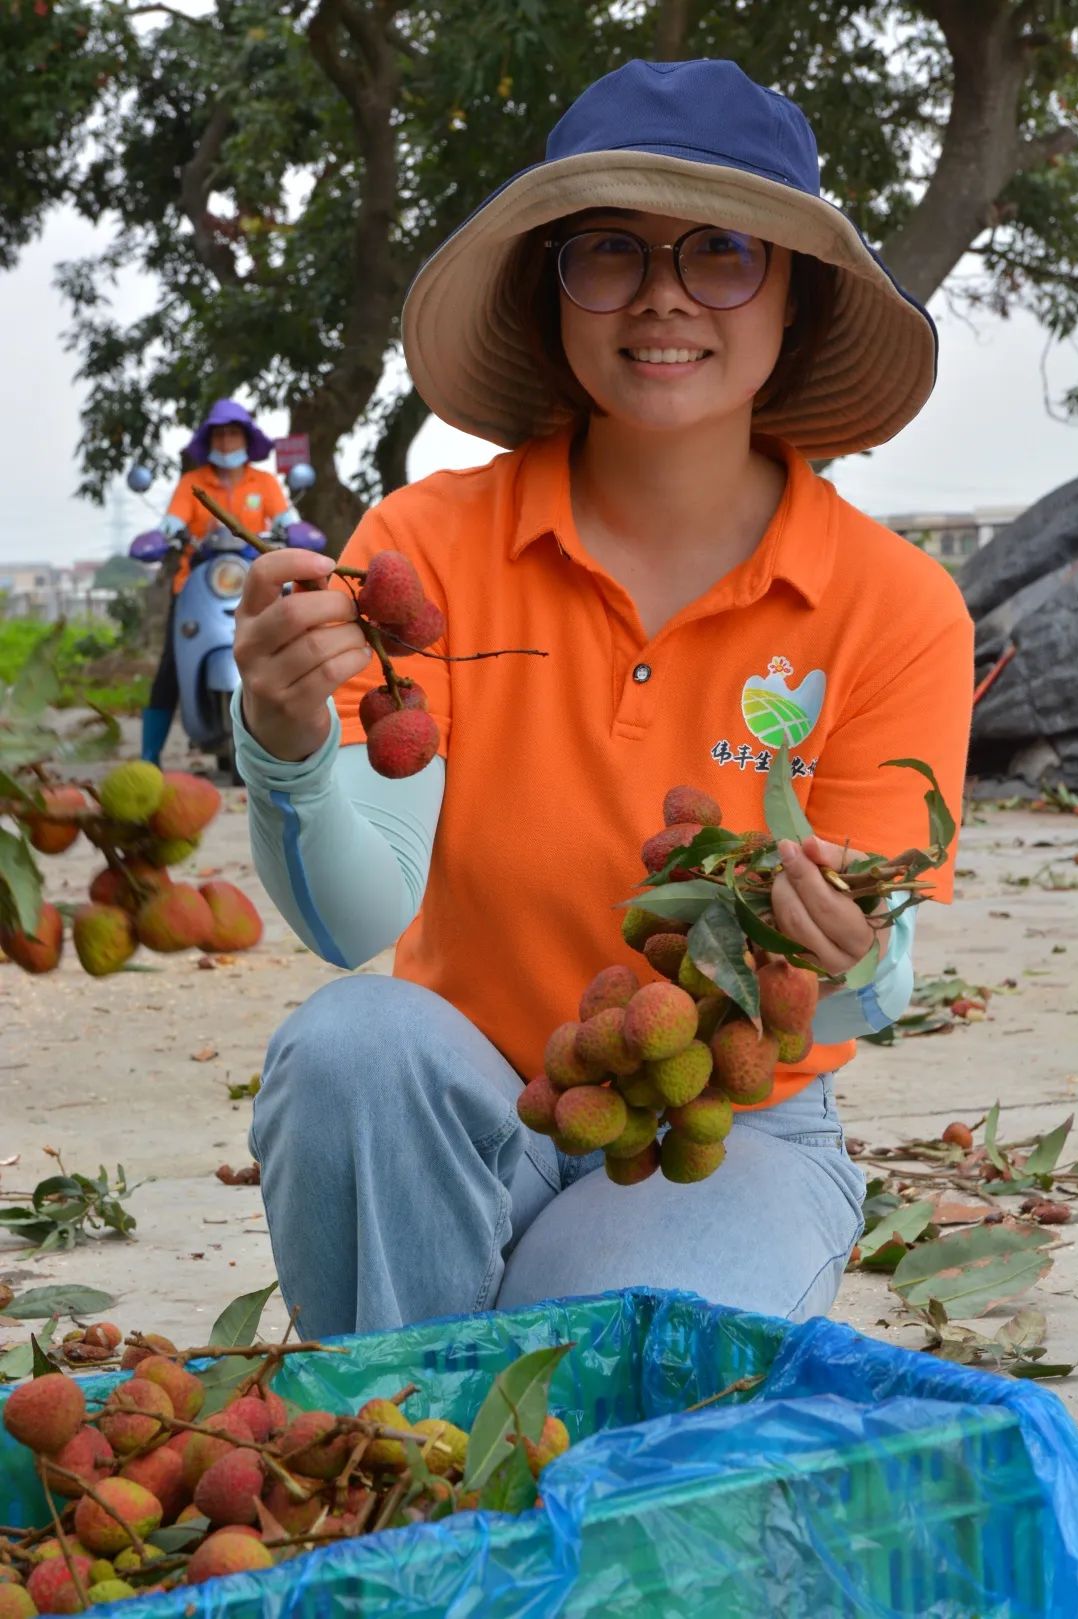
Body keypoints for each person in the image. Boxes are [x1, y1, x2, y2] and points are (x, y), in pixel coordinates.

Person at [231, 59, 974, 1341]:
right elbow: (362, 919)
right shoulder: (429, 547)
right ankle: (412, 1438)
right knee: (355, 1040)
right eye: (612, 251)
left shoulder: (893, 604)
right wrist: (288, 748)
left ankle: (431, 1405)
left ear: (791, 296)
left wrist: (852, 948)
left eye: (725, 251)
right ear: (556, 291)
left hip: (724, 1131)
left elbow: (862, 993)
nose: (665, 295)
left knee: (588, 1354)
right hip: (464, 1107)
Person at [139, 399, 294, 767]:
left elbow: (286, 518)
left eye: (233, 434)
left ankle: (290, 747)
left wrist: (294, 528)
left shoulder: (265, 482)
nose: (226, 442)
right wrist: (167, 532)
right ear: (210, 441)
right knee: (170, 667)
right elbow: (174, 519)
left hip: (256, 581)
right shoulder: (193, 482)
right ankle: (149, 757)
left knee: (286, 654)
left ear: (245, 439)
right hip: (198, 583)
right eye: (220, 434)